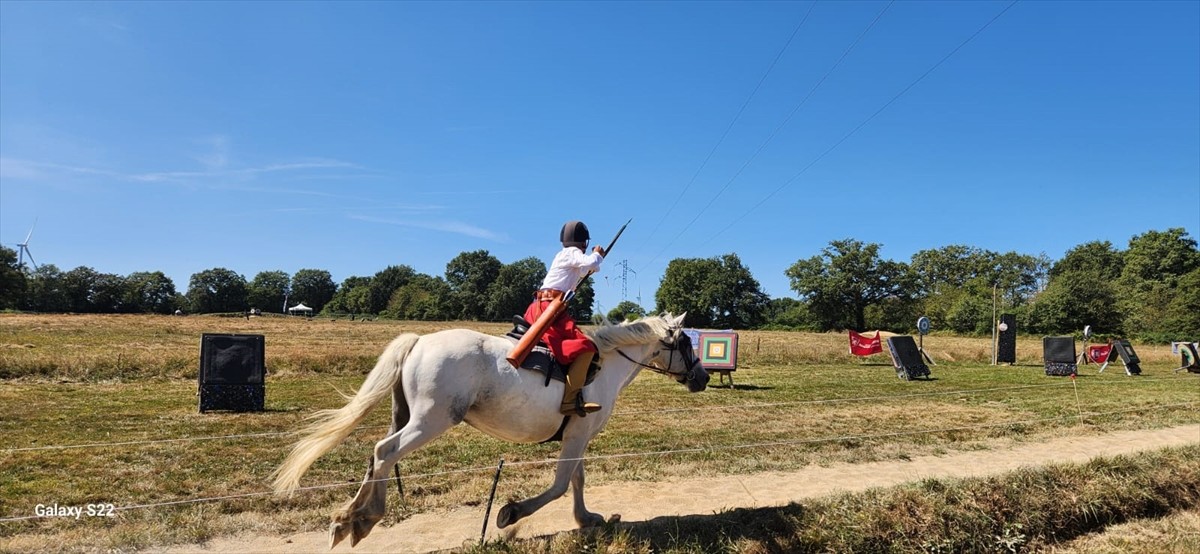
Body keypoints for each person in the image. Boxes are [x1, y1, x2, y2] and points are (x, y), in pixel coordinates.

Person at [524, 220, 605, 417]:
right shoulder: (572, 253)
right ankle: (570, 400)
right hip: (550, 308)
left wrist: (596, 261)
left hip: (543, 306)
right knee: (587, 348)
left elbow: (591, 269)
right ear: (583, 242)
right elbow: (591, 263)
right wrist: (598, 253)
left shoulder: (565, 255)